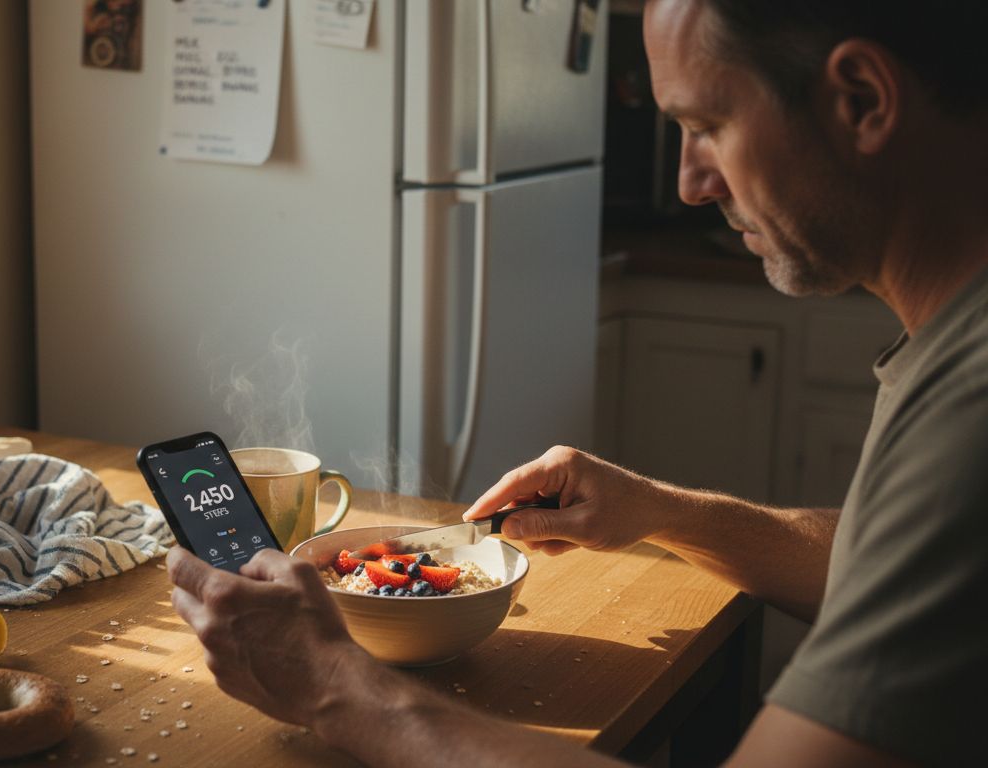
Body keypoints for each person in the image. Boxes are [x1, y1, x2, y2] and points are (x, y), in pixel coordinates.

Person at [168, 0, 988, 764]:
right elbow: (893, 563)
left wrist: (333, 686)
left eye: (707, 126)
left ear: (861, 101)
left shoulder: (971, 413)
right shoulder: (957, 338)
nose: (690, 183)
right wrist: (664, 511)